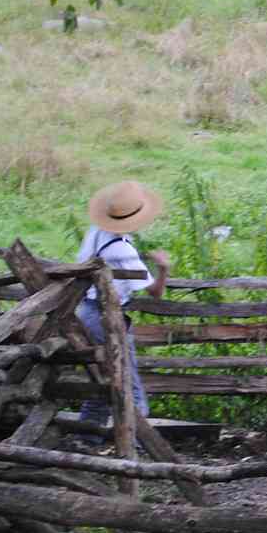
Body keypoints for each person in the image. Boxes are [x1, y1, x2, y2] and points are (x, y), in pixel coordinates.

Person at [74, 179, 170, 443]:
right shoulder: (123, 251)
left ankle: (86, 438)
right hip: (107, 318)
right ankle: (138, 444)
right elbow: (155, 292)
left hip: (87, 311)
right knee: (130, 384)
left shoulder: (96, 232)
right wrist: (163, 268)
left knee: (104, 379)